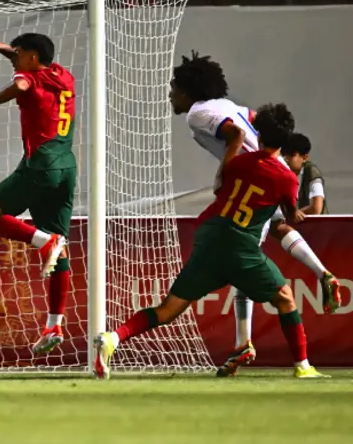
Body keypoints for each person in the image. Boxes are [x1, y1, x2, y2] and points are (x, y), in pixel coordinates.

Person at [95, 103, 324, 379]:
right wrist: (295, 213)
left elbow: (221, 185)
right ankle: (303, 367)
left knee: (167, 310)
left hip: (210, 237)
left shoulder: (237, 163)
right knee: (285, 298)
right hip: (241, 247)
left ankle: (113, 338)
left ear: (259, 135)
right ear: (285, 141)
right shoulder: (287, 178)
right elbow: (288, 213)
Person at [167, 52, 339, 376]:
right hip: (271, 174)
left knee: (244, 260)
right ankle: (321, 274)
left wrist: (226, 170)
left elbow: (235, 134)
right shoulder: (226, 104)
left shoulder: (197, 113)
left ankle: (273, 353)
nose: (170, 93)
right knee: (273, 231)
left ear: (188, 90)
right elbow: (255, 118)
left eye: (175, 87)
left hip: (252, 178)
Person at [0, 31, 75, 355]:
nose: (14, 58)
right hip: (66, 167)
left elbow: (22, 85)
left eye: (18, 53)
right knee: (61, 250)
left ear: (32, 57)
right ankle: (54, 325)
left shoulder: (30, 79)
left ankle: (44, 242)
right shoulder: (62, 75)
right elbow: (24, 61)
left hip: (40, 165)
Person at [282, 134, 327, 215]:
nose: (287, 159)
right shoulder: (283, 172)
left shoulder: (312, 172)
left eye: (292, 155)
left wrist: (295, 214)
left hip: (316, 222)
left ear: (304, 158)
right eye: (285, 154)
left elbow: (316, 208)